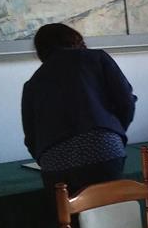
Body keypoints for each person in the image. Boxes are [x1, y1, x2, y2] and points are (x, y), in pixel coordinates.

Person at [21, 22, 137, 208]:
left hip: (55, 162)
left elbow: (31, 137)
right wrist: (112, 131)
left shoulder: (33, 84)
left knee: (68, 220)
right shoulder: (97, 59)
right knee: (106, 217)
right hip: (103, 148)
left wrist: (48, 158)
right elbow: (126, 102)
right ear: (75, 39)